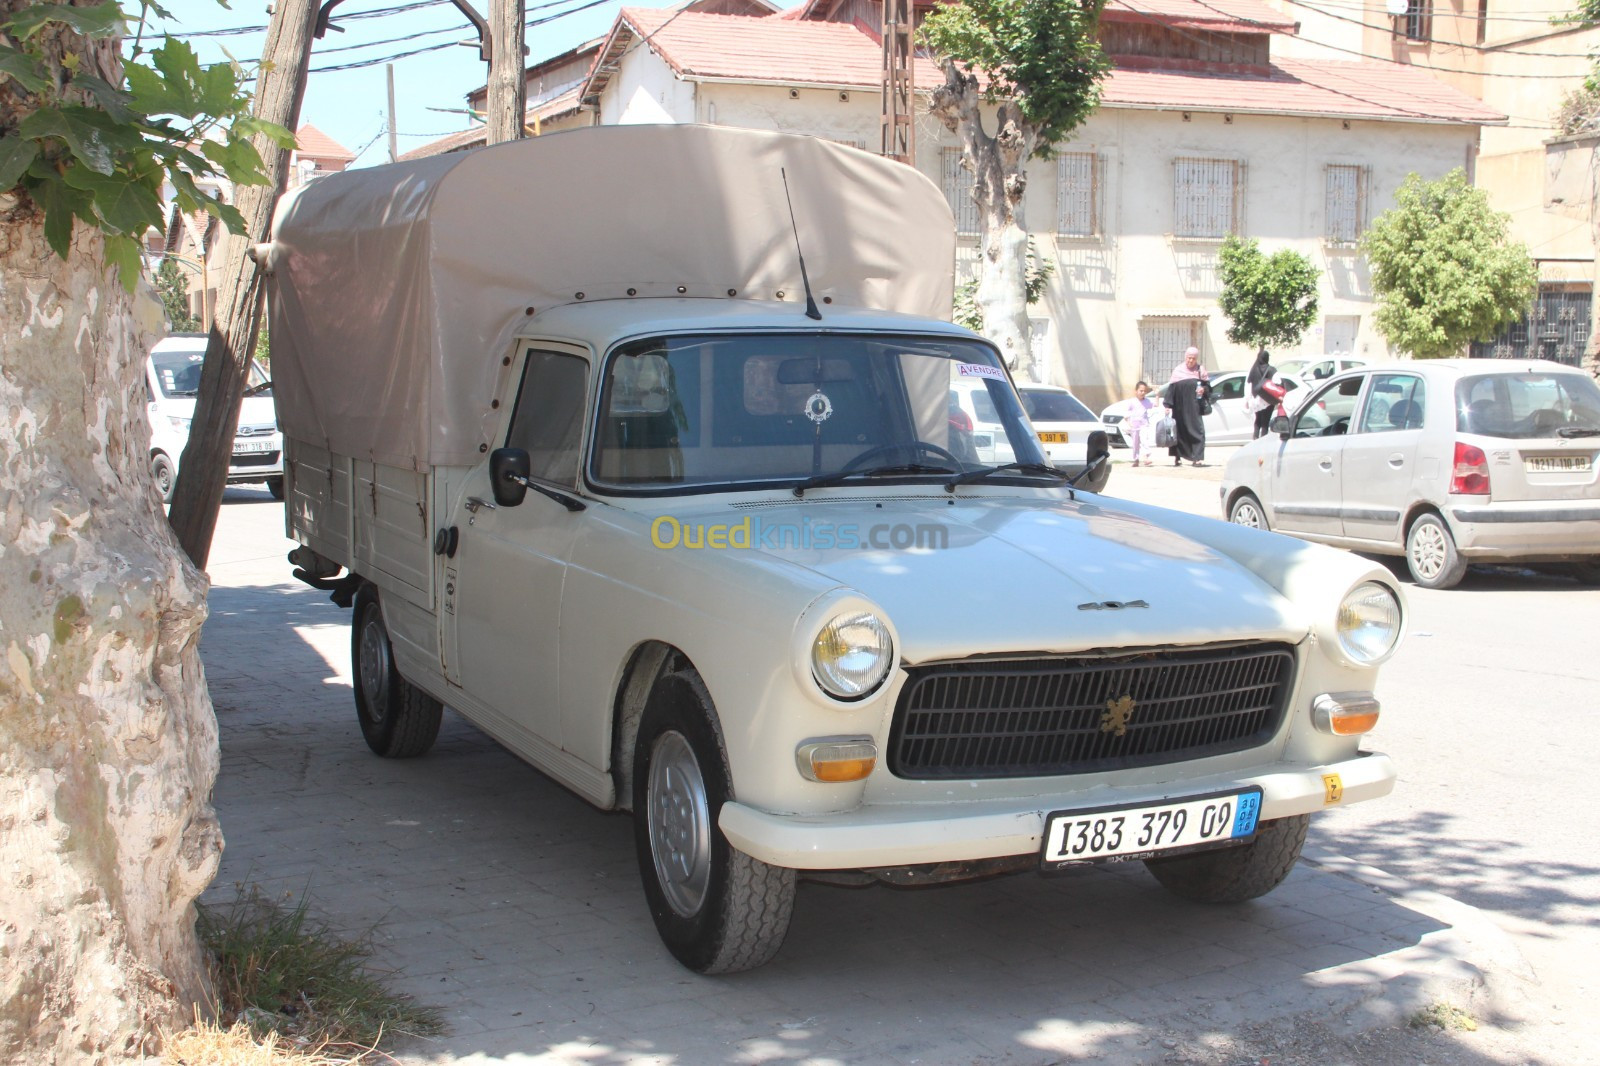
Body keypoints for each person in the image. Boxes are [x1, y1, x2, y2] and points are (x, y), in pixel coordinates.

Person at [1163, 347, 1211, 466]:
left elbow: (1209, 388)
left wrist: (1203, 389)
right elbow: (1171, 389)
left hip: (1194, 407)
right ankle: (1177, 458)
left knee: (1197, 430)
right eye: (1189, 358)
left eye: (1193, 359)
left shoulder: (1200, 370)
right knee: (1179, 431)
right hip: (1179, 407)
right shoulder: (1178, 370)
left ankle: (1197, 457)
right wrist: (1168, 405)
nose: (1191, 361)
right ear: (1185, 357)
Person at [1113, 381, 1157, 466]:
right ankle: (1136, 459)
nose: (1143, 393)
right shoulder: (1132, 402)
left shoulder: (1147, 401)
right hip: (1134, 426)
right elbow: (1126, 414)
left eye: (1144, 391)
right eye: (1141, 391)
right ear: (1136, 391)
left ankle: (1146, 457)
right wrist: (1129, 423)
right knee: (1135, 443)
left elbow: (1156, 404)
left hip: (1144, 425)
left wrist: (1157, 395)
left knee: (1144, 440)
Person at [1246, 349, 1277, 440]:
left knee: (1257, 420)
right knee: (1265, 422)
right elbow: (1277, 382)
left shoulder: (1254, 369)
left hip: (1256, 399)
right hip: (1268, 400)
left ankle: (1255, 438)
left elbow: (1249, 382)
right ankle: (1263, 441)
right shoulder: (1271, 369)